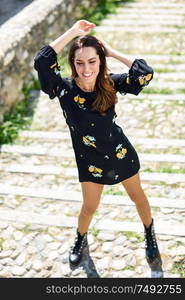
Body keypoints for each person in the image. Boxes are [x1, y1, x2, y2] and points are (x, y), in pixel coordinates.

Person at [34, 20, 162, 270]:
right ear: (72, 64)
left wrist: (111, 52)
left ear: (100, 62)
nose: (86, 69)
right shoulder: (63, 89)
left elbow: (144, 74)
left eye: (92, 61)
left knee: (138, 197)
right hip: (89, 160)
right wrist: (72, 32)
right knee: (89, 208)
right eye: (79, 62)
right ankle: (80, 239)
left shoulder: (110, 83)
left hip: (120, 153)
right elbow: (42, 61)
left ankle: (149, 233)